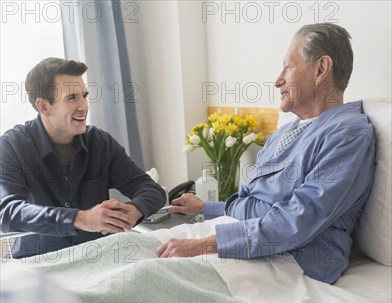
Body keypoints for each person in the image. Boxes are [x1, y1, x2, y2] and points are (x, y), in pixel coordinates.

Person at [157, 23, 376, 285]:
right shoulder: (285, 133)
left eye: (288, 67)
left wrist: (205, 245)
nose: (277, 80)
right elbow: (254, 203)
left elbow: (297, 220)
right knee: (133, 250)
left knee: (150, 280)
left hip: (294, 259)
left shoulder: (347, 135)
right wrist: (207, 207)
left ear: (320, 69)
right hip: (246, 240)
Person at [0, 58, 166, 258]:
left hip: (96, 264)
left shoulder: (100, 142)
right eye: (72, 98)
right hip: (36, 265)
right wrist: (80, 219)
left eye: (84, 96)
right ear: (43, 106)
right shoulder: (12, 146)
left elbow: (150, 189)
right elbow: (7, 212)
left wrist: (134, 209)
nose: (84, 106)